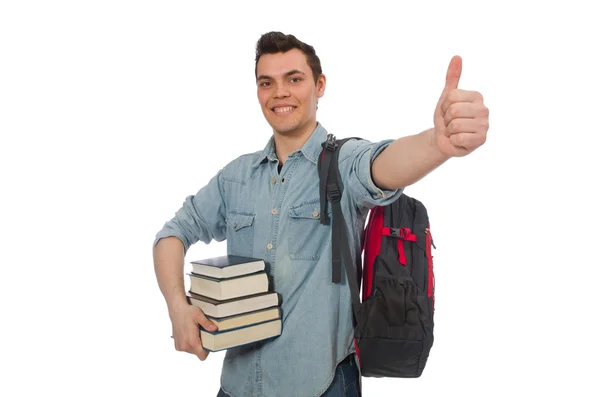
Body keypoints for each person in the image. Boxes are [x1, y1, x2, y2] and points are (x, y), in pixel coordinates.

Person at [152, 31, 489, 397]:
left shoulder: (343, 163)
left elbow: (383, 165)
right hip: (237, 388)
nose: (280, 92)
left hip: (322, 387)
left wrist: (435, 145)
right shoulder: (235, 177)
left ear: (319, 85)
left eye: (294, 79)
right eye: (267, 83)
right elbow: (172, 234)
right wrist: (177, 307)